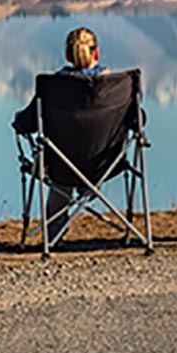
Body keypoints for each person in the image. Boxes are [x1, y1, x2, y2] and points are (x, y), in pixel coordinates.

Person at [12, 26, 106, 243]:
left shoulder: (53, 88)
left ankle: (53, 236)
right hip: (103, 163)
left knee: (59, 169)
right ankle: (89, 190)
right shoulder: (116, 87)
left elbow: (26, 124)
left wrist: (18, 120)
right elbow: (138, 119)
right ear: (96, 53)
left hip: (59, 164)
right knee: (73, 164)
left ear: (67, 55)